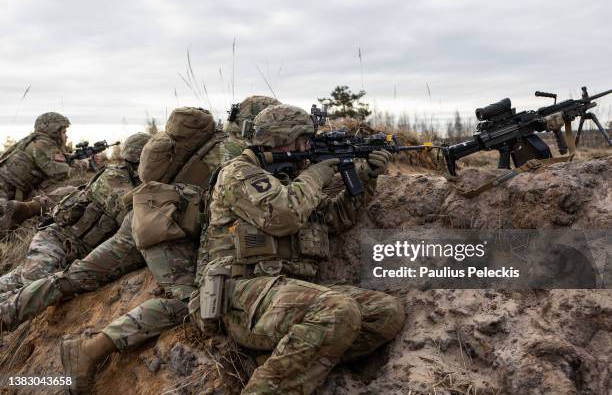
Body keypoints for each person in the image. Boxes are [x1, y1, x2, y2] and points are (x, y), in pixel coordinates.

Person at [0, 100, 278, 394]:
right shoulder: (237, 153)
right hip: (164, 233)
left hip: (141, 219)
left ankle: (6, 314)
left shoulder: (212, 144)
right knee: (190, 302)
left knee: (77, 275)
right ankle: (86, 352)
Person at [195, 104, 405, 394]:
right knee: (338, 311)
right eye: (304, 140)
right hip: (242, 295)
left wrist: (368, 177)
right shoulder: (238, 174)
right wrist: (318, 173)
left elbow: (334, 219)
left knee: (385, 313)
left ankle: (282, 362)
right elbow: (283, 216)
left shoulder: (290, 180)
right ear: (284, 139)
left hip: (289, 297)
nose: (308, 146)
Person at [0, 132, 151, 298]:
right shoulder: (115, 177)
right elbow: (133, 217)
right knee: (37, 290)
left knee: (14, 281)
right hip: (56, 240)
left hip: (73, 252)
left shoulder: (136, 180)